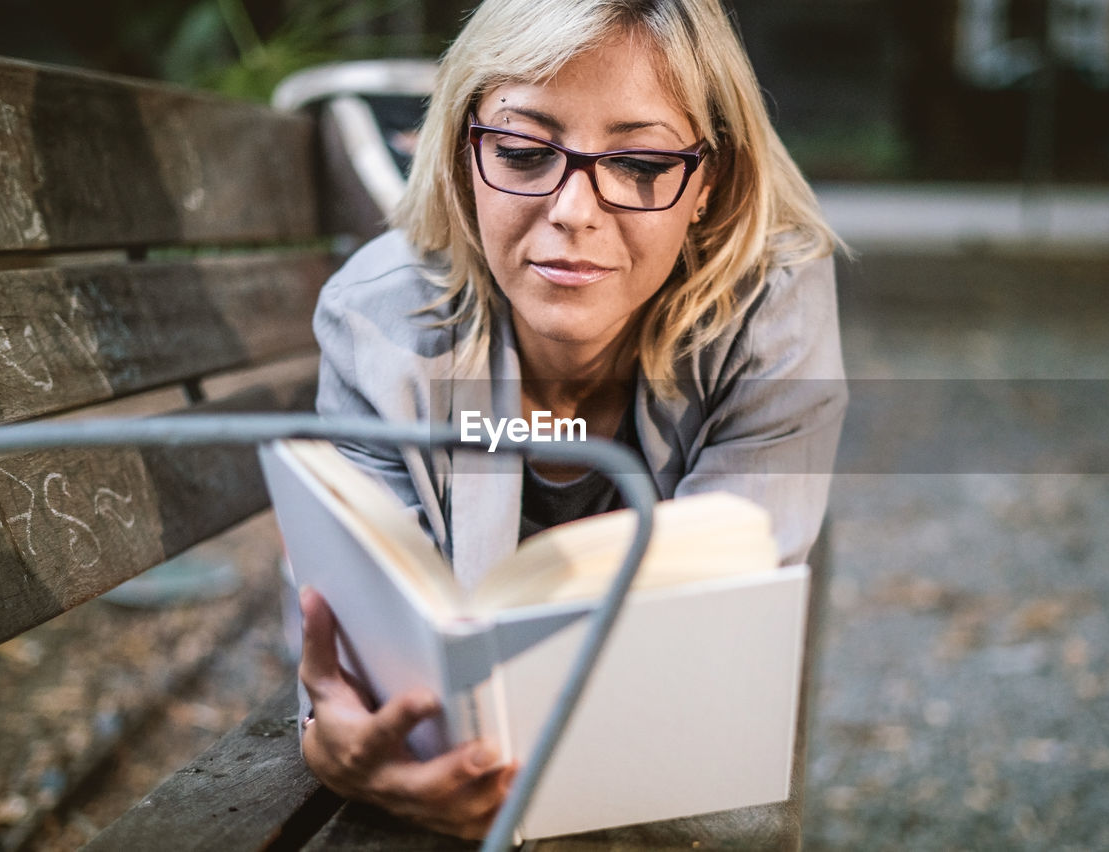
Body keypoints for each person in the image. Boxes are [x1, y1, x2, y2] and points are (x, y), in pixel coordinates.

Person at [297, 0, 847, 839]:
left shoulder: (772, 306)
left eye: (640, 163)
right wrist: (334, 737)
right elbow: (352, 646)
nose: (575, 212)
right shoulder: (377, 322)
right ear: (459, 153)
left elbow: (721, 630)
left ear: (708, 184)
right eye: (521, 153)